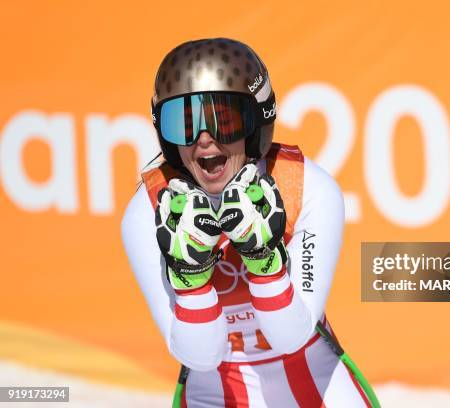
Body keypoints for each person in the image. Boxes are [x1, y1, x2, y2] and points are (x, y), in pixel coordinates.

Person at [121, 38, 370, 407]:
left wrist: (265, 263)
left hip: (318, 384)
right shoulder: (147, 212)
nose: (205, 141)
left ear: (257, 120)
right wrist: (190, 281)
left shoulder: (305, 187)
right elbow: (200, 356)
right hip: (212, 393)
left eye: (223, 120)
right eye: (184, 124)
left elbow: (292, 337)